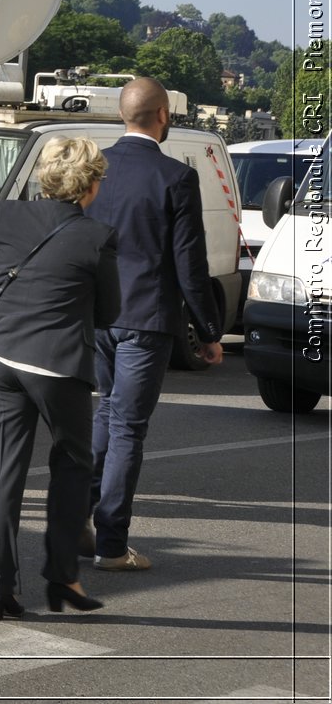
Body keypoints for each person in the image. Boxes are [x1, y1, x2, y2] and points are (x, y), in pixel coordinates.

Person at [0, 137, 120, 619]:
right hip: (58, 365)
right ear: (89, 185)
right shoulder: (96, 236)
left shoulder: (8, 215)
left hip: (0, 356)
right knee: (72, 463)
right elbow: (110, 312)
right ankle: (62, 574)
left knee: (0, 475)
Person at [85, 77, 224, 571]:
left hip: (98, 315)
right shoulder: (176, 177)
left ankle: (80, 522)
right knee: (127, 428)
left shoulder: (93, 166)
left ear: (124, 114)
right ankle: (111, 545)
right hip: (148, 318)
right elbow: (190, 263)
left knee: (105, 414)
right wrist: (209, 331)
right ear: (163, 115)